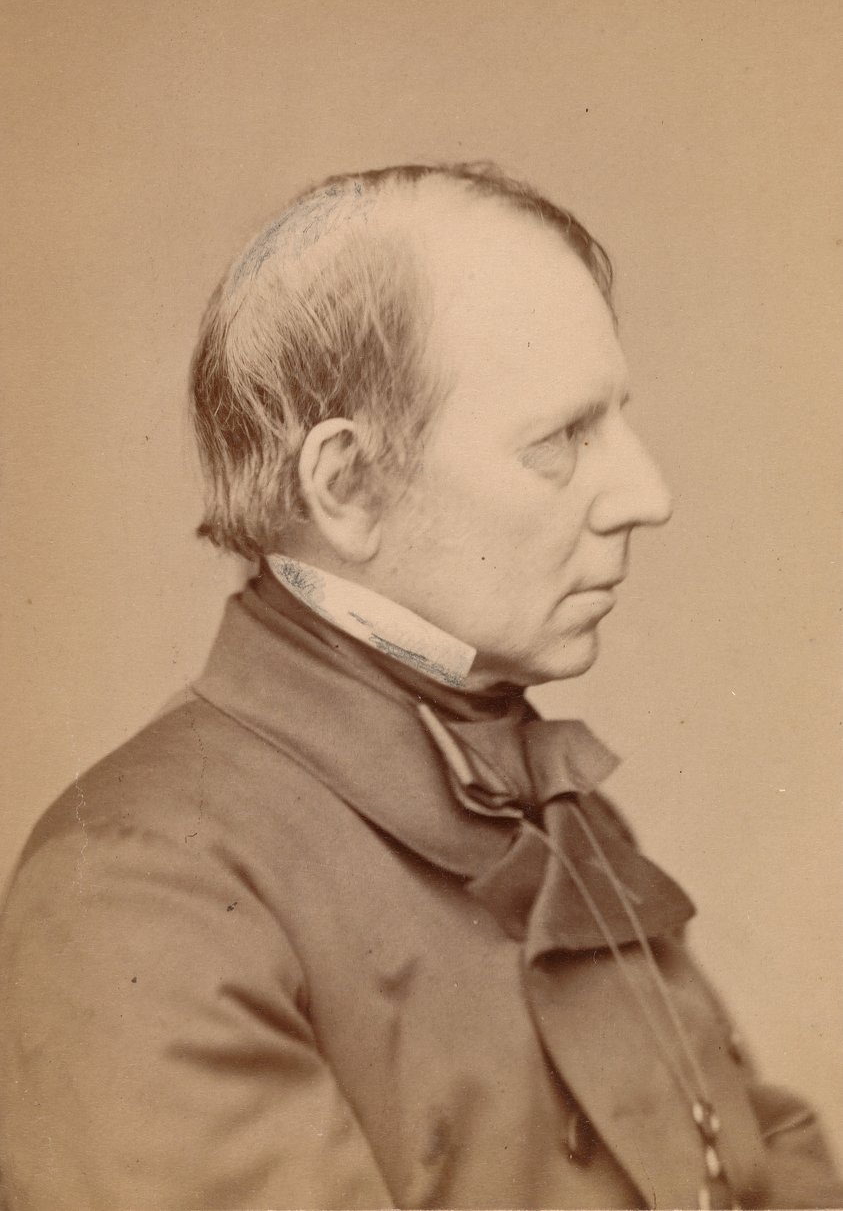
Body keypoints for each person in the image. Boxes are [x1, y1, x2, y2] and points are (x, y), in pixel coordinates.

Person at [0, 163, 839, 1211]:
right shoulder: (142, 888)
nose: (646, 495)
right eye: (559, 440)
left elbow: (760, 1161)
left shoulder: (551, 808)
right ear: (347, 486)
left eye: (616, 420)